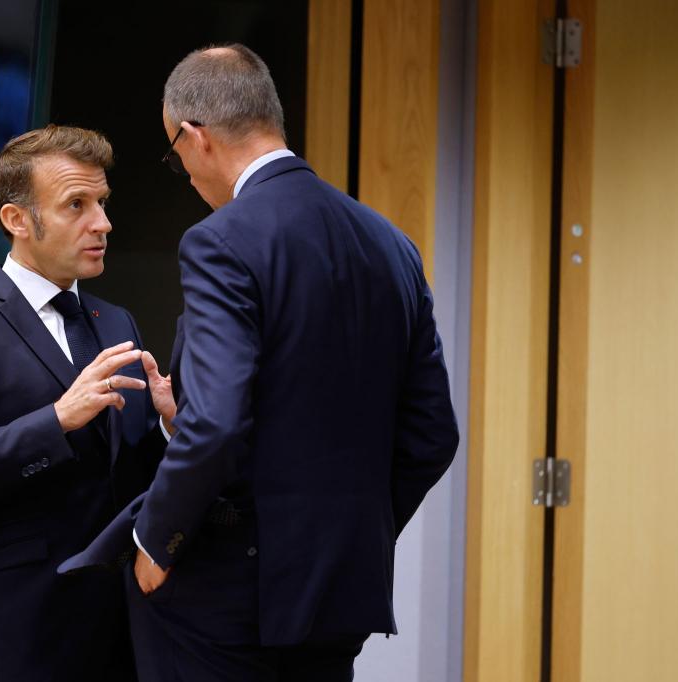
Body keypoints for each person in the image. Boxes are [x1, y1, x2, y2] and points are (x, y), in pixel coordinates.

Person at [65, 43, 459, 681]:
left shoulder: (221, 240)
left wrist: (154, 543)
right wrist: (350, 531)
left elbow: (217, 425)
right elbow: (433, 434)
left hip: (227, 590)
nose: (185, 173)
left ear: (196, 137)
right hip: (338, 593)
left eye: (174, 156)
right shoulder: (392, 244)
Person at [0, 125, 171, 681]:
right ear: (16, 220)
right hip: (13, 639)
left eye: (102, 202)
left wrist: (173, 429)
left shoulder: (116, 320)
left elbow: (131, 476)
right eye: (77, 204)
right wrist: (55, 420)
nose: (103, 223)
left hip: (119, 639)